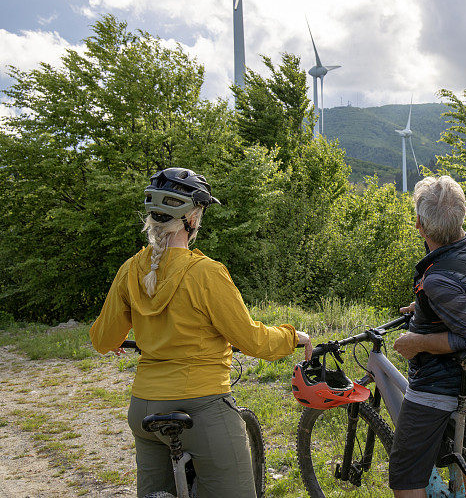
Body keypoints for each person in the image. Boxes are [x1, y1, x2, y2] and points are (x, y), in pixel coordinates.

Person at [89, 167, 311, 498]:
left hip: (144, 409)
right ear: (192, 217)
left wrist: (127, 333)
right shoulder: (206, 273)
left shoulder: (130, 269)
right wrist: (293, 336)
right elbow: (250, 340)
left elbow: (102, 340)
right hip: (200, 408)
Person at [389, 175, 466, 497]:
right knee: (461, 462)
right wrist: (424, 307)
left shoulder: (437, 280)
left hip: (437, 387)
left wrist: (417, 342)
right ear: (461, 217)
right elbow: (464, 299)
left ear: (419, 225)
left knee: (405, 477)